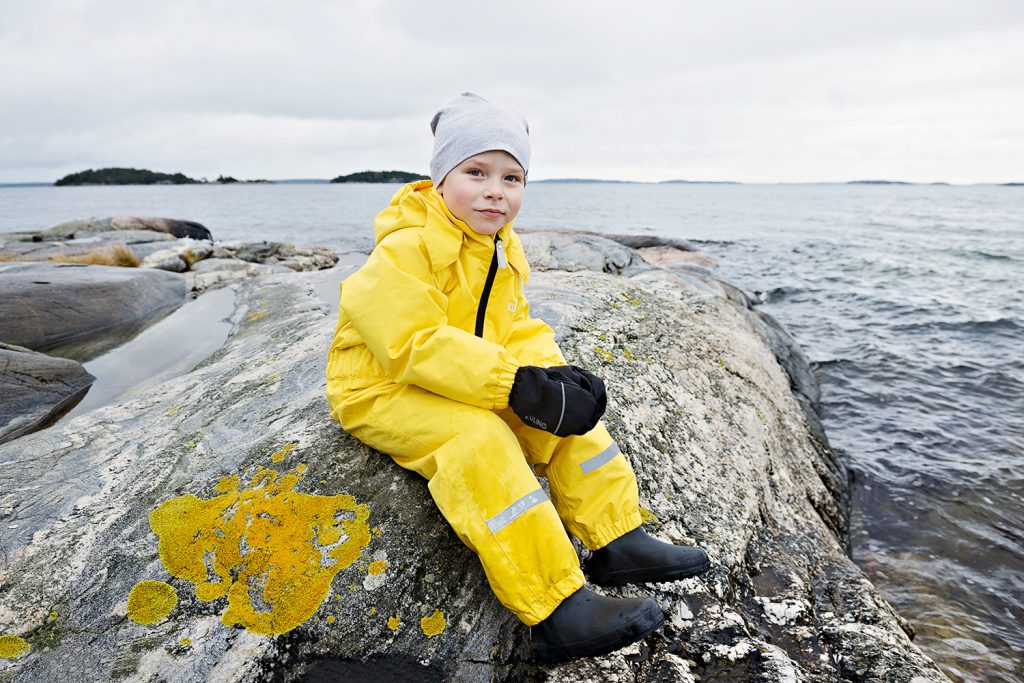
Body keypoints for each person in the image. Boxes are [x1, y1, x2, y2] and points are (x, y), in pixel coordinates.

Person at [326, 92, 710, 663]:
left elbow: (515, 325)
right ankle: (555, 607)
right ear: (438, 178)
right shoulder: (405, 249)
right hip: (384, 387)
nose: (494, 190)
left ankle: (616, 536)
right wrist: (510, 387)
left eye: (512, 178)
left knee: (568, 421)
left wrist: (551, 377)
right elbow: (411, 343)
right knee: (480, 440)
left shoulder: (501, 247)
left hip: (459, 377)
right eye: (475, 172)